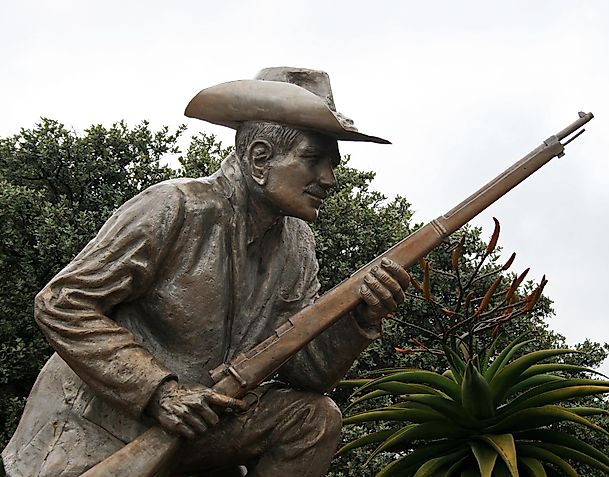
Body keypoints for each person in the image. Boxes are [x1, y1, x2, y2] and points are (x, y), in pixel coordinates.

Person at [2, 67, 409, 477]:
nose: (329, 179)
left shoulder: (298, 246)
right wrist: (159, 392)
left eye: (332, 164)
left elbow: (304, 371)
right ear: (260, 158)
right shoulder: (174, 206)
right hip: (100, 430)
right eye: (313, 160)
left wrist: (359, 318)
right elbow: (61, 303)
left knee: (314, 418)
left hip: (199, 431)